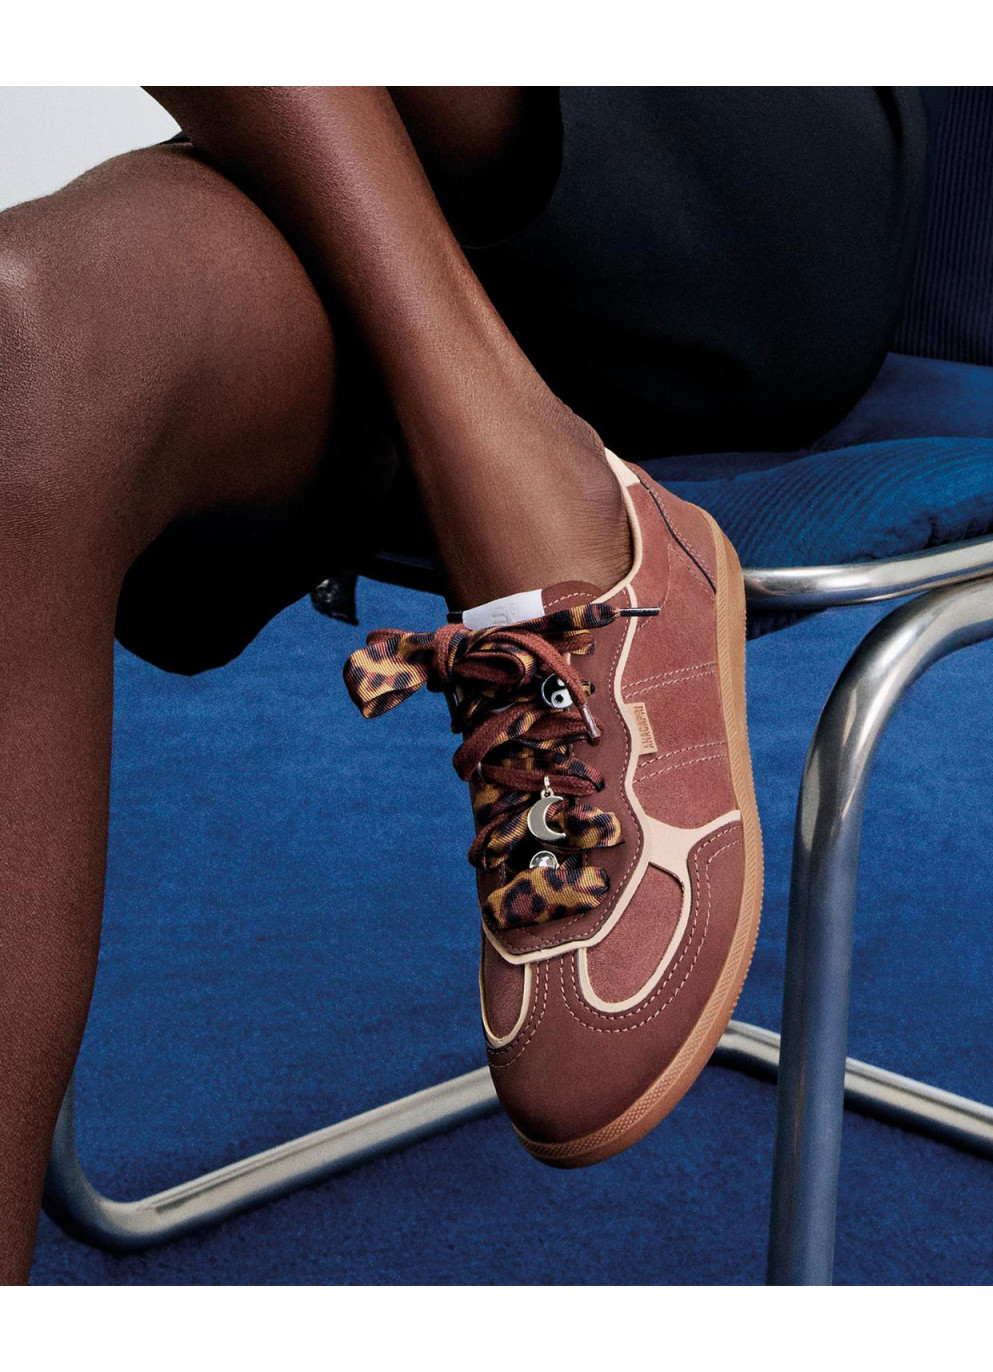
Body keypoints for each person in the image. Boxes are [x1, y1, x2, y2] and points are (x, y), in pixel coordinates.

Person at [0, 87, 931, 1282]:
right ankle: (505, 449)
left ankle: (526, 496)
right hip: (369, 186)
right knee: (28, 351)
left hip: (724, 178)